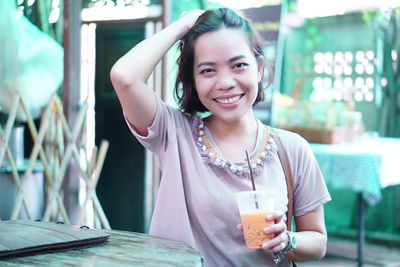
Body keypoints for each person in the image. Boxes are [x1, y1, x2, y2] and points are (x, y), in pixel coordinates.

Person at [110, 8, 331, 267]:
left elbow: (318, 241)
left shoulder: (292, 148)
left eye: (239, 65)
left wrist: (287, 240)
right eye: (207, 71)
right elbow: (124, 77)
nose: (225, 82)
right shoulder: (174, 134)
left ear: (258, 69)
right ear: (192, 79)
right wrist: (182, 26)